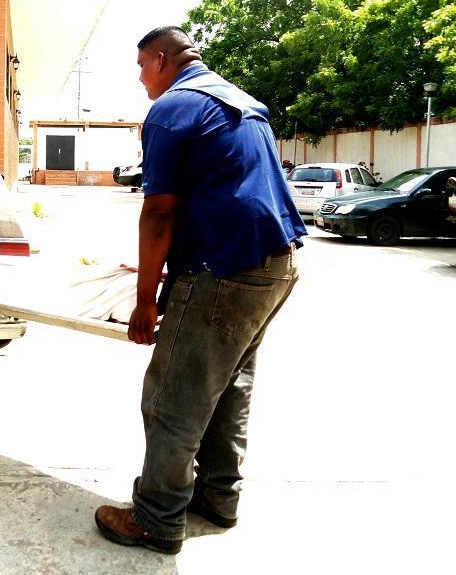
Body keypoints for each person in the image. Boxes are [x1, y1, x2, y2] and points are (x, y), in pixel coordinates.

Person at [94, 27, 307, 554]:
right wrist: (167, 267)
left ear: (161, 59)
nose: (140, 77)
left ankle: (157, 519)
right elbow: (226, 192)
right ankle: (217, 497)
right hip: (274, 264)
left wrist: (146, 299)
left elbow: (159, 211)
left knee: (173, 398)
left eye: (141, 65)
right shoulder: (241, 102)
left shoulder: (172, 109)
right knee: (229, 387)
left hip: (225, 271)